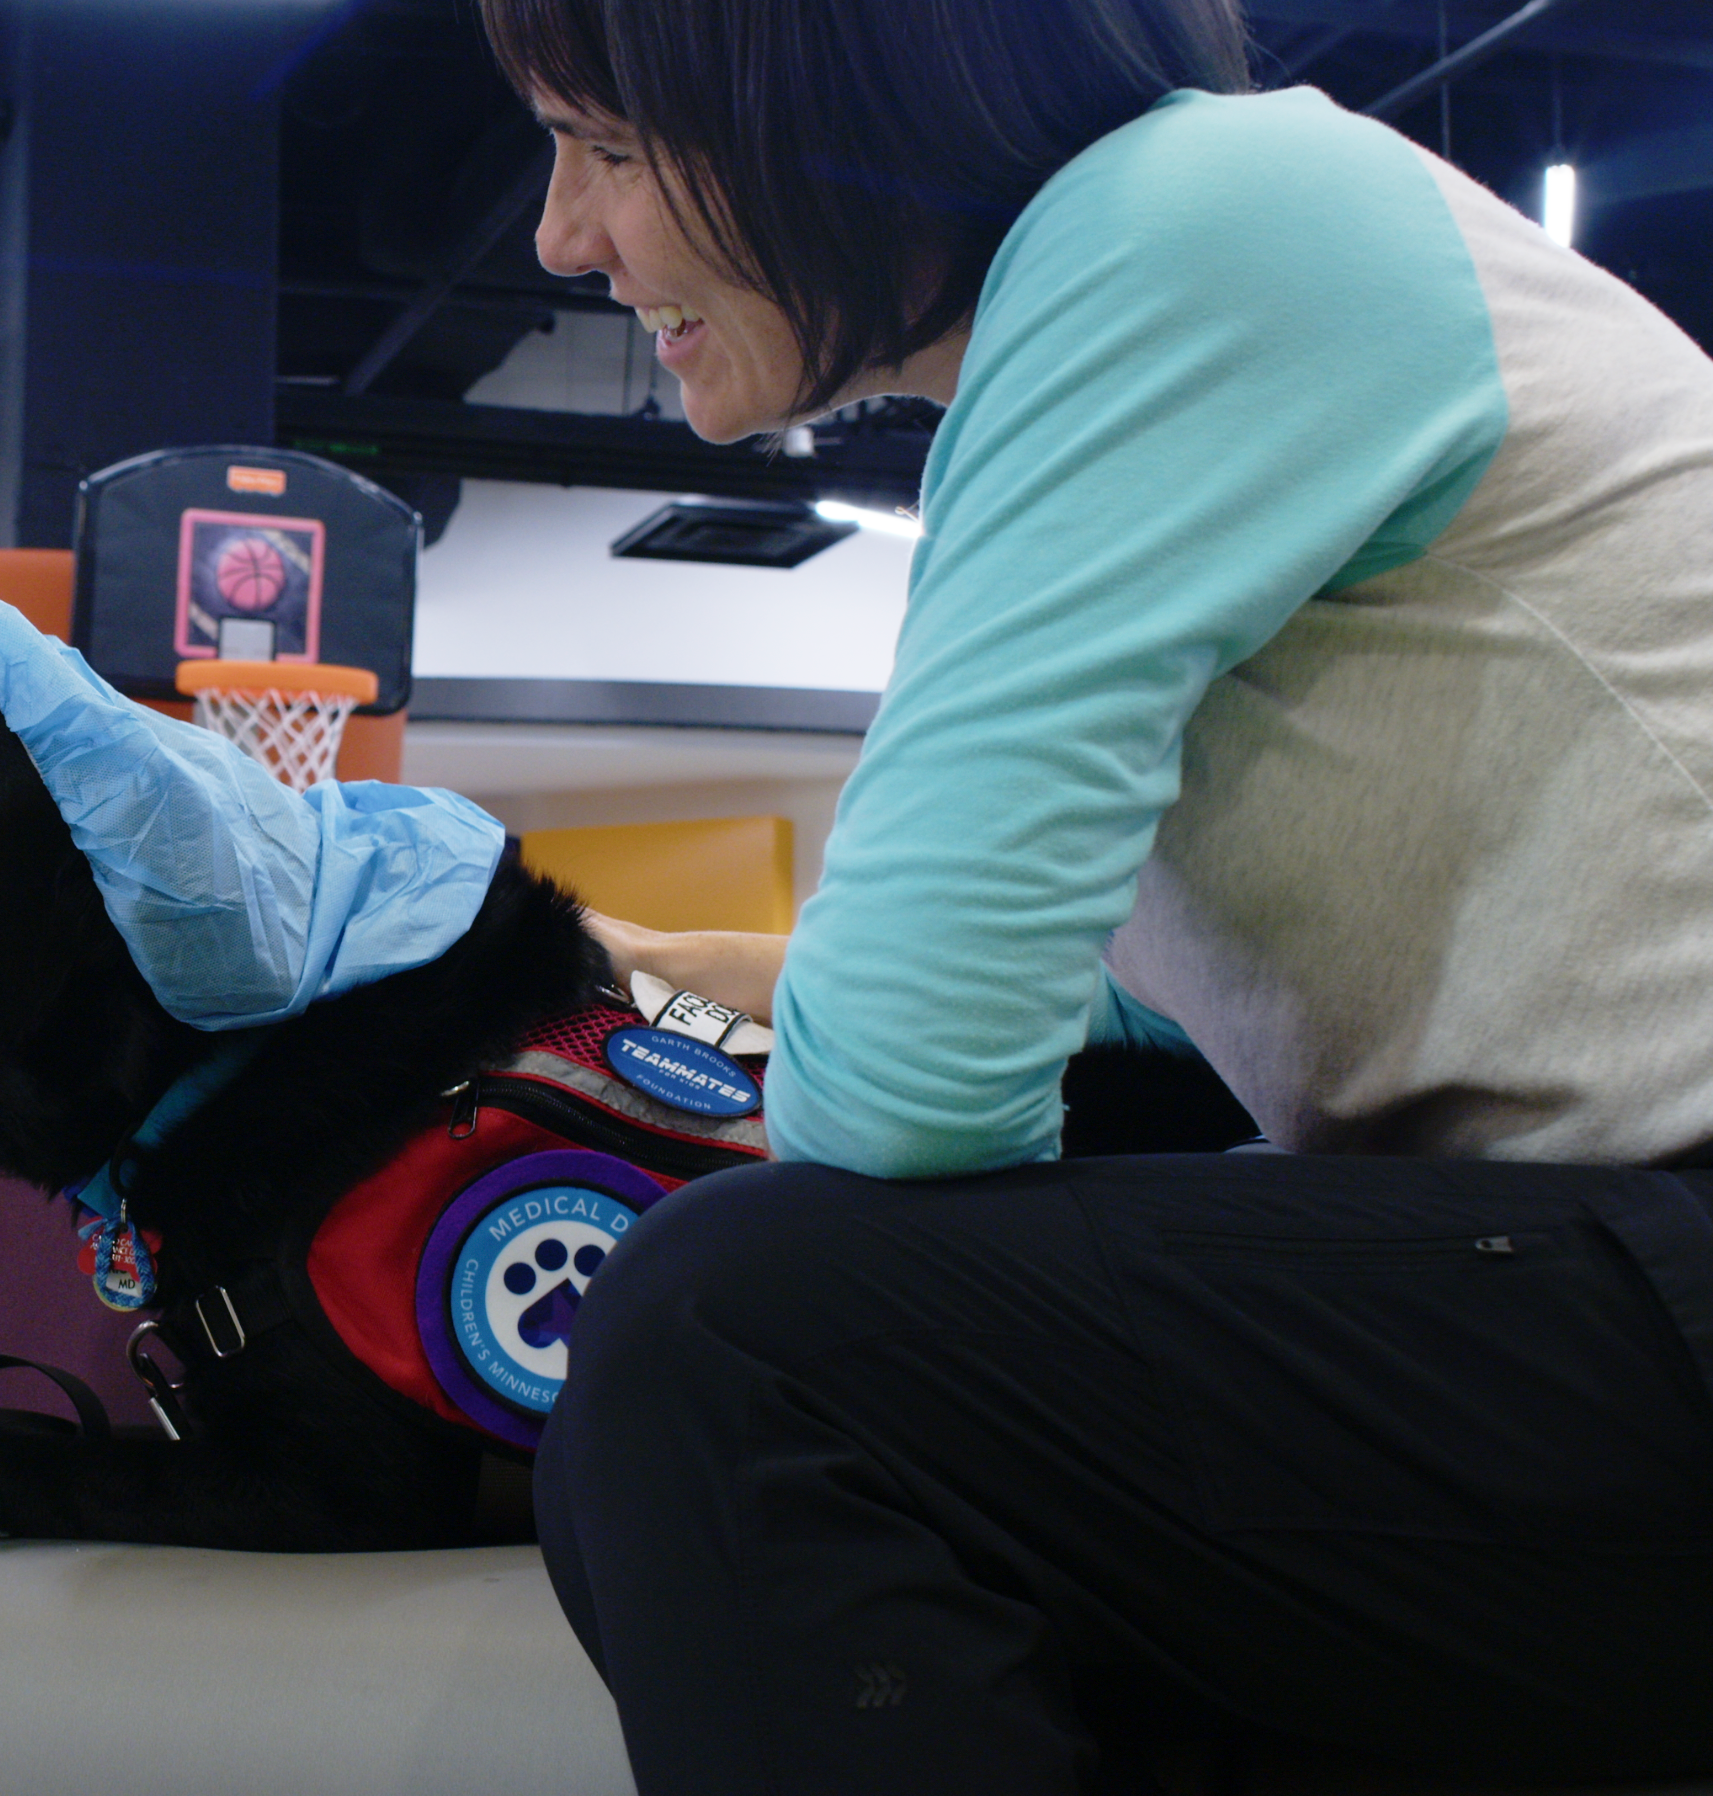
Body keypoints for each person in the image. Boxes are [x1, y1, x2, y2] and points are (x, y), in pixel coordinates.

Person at [470, 0, 1713, 1790]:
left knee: (733, 1340)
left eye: (606, 150)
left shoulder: (1189, 222)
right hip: (1612, 1286)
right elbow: (1153, 1021)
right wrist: (606, 973)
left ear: (836, 90)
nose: (558, 236)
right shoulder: (1204, 257)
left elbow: (904, 1091)